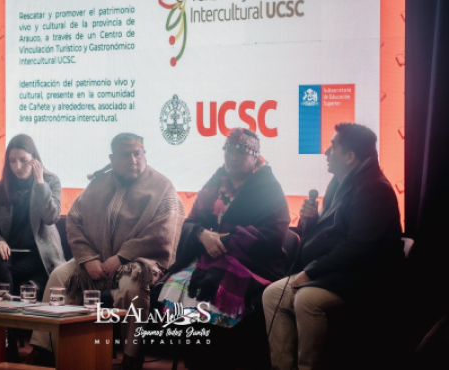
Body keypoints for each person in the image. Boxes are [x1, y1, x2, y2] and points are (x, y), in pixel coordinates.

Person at [28, 133, 185, 370]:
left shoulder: (162, 187)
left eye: (137, 154)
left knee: (132, 287)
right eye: (125, 155)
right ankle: (45, 348)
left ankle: (131, 356)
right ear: (112, 159)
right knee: (59, 277)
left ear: (144, 155)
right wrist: (87, 258)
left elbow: (163, 231)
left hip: (138, 262)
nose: (133, 160)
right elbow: (75, 220)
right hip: (96, 258)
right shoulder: (98, 184)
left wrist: (121, 257)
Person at [262, 123, 405, 370]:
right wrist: (310, 221)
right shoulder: (339, 182)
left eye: (332, 147)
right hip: (337, 272)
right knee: (273, 294)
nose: (326, 152)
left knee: (306, 299)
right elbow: (329, 235)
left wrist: (310, 272)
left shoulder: (374, 189)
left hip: (363, 277)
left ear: (350, 156)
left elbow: (357, 247)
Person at [158, 127, 290, 368]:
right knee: (177, 286)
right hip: (208, 259)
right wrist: (202, 234)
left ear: (255, 157)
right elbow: (190, 223)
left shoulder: (268, 188)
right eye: (229, 151)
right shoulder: (215, 184)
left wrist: (223, 241)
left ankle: (223, 361)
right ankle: (196, 362)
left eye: (241, 152)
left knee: (215, 294)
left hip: (251, 264)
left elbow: (272, 235)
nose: (233, 157)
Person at [0, 134, 65, 299]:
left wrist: (40, 183)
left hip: (39, 254)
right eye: (12, 161)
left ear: (34, 159)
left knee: (1, 278)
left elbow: (51, 217)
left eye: (23, 160)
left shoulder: (50, 181)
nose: (18, 166)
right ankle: (9, 303)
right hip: (11, 253)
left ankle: (10, 301)